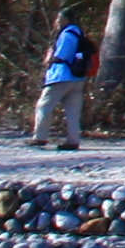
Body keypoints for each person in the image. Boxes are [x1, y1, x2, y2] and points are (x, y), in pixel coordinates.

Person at [32, 14, 95, 148]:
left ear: (66, 19)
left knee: (44, 106)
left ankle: (39, 137)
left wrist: (50, 58)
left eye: (59, 18)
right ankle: (73, 140)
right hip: (78, 78)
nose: (56, 21)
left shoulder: (67, 34)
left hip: (61, 76)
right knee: (73, 111)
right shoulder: (80, 35)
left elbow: (62, 55)